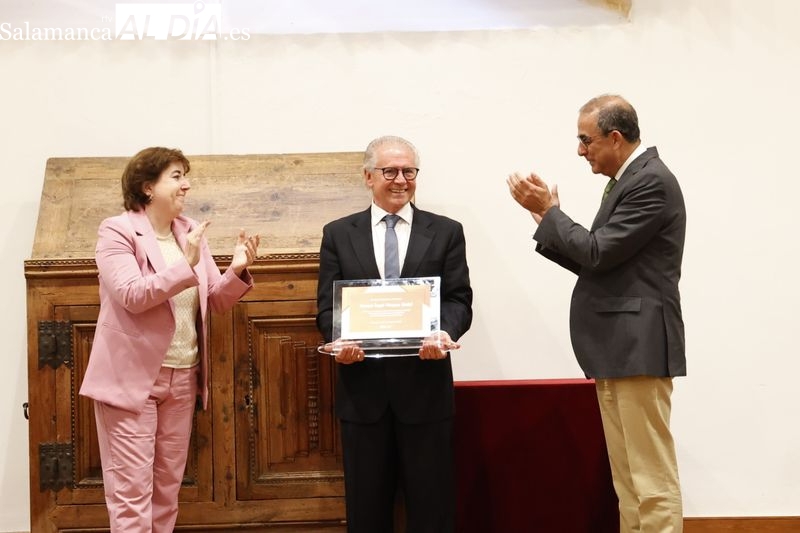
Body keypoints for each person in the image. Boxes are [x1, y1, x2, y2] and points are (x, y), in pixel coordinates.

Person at [507, 95, 686, 533]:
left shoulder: (651, 181)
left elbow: (598, 251)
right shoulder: (630, 179)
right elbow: (598, 259)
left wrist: (552, 214)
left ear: (616, 138)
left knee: (651, 480)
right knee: (627, 480)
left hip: (637, 344)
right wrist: (545, 221)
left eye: (586, 140)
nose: (580, 150)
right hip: (617, 346)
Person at [79, 146, 260, 533]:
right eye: (176, 176)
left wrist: (237, 270)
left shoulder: (188, 232)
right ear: (148, 187)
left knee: (166, 494)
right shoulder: (117, 230)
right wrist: (186, 264)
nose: (187, 184)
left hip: (183, 378)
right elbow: (132, 294)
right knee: (131, 498)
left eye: (185, 176)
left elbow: (214, 300)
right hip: (132, 382)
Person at [316, 135, 473, 533]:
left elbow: (458, 300)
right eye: (390, 171)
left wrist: (444, 333)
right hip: (362, 393)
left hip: (426, 391)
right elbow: (326, 307)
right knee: (367, 513)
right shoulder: (338, 233)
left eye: (409, 171)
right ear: (369, 176)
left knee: (432, 509)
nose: (401, 180)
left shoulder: (446, 231)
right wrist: (340, 342)